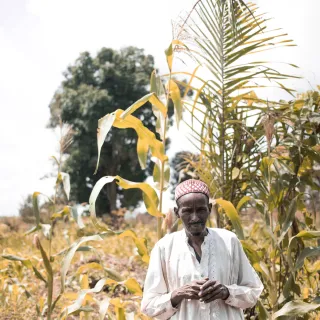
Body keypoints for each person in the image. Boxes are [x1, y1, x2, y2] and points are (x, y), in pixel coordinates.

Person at [141, 179, 263, 319]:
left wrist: (227, 292)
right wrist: (178, 294)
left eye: (201, 210)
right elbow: (148, 306)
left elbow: (254, 292)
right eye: (187, 211)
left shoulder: (229, 241)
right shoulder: (164, 247)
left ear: (209, 209)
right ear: (177, 212)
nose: (195, 217)